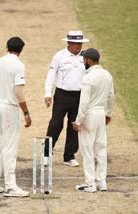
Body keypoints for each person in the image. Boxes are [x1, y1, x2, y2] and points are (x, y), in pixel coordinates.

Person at [0, 37, 31, 197]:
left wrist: (3, 93)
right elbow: (18, 92)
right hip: (9, 109)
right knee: (10, 146)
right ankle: (10, 187)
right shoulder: (18, 65)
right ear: (21, 49)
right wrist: (26, 112)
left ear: (7, 47)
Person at [44, 30, 89, 167]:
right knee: (55, 124)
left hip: (79, 95)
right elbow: (51, 74)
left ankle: (69, 156)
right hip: (62, 94)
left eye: (80, 43)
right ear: (69, 43)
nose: (78, 46)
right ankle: (46, 153)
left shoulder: (86, 57)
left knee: (75, 125)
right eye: (75, 43)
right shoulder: (59, 56)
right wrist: (47, 93)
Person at [72, 48, 114, 192]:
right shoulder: (107, 75)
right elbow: (111, 96)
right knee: (101, 147)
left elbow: (83, 102)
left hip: (89, 115)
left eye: (84, 59)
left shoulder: (88, 77)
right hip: (101, 114)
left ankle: (90, 182)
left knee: (87, 149)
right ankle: (102, 182)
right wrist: (108, 113)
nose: (83, 61)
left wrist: (78, 121)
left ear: (89, 60)